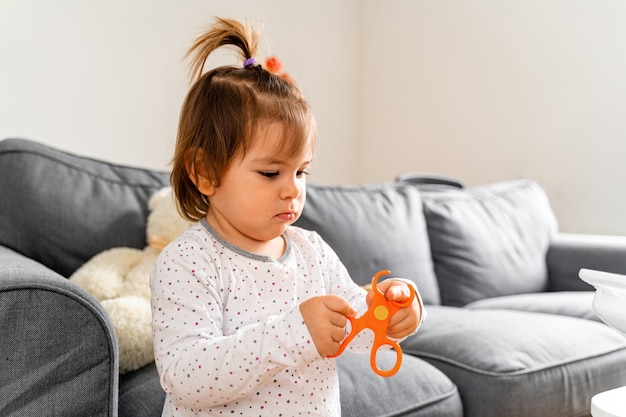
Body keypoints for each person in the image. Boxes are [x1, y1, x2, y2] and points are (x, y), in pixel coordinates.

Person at [150, 17, 425, 417]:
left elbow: (356, 323)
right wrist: (293, 333)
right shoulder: (188, 262)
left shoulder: (311, 251)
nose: (293, 188)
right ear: (205, 172)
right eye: (270, 173)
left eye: (301, 171)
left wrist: (395, 311)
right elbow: (185, 377)